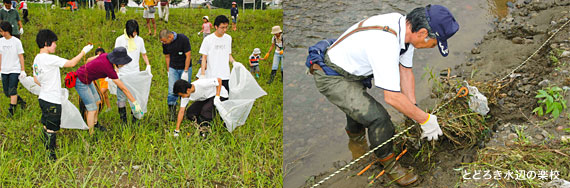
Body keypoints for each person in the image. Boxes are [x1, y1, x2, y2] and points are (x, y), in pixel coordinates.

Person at [308, 5, 459, 186]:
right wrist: (426, 120)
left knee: (359, 109)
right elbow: (392, 97)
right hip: (332, 76)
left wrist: (413, 109)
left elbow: (405, 70)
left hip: (352, 70)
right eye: (434, 42)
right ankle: (389, 165)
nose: (433, 46)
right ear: (423, 33)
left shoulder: (405, 28)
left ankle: (356, 144)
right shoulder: (385, 42)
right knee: (378, 119)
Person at [32, 29, 93, 160]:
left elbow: (36, 79)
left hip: (43, 98)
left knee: (46, 123)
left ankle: (45, 146)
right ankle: (51, 155)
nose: (55, 45)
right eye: (54, 43)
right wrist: (84, 51)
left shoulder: (37, 59)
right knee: (52, 128)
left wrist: (47, 86)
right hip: (52, 99)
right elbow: (71, 63)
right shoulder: (49, 59)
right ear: (46, 43)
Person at [75, 47, 143, 135]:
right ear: (118, 61)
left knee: (98, 101)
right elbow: (124, 89)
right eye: (123, 62)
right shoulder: (109, 69)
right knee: (92, 109)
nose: (124, 64)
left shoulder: (105, 55)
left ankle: (95, 124)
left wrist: (91, 74)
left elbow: (88, 60)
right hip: (81, 81)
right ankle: (91, 134)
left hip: (88, 79)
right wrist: (135, 102)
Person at [114, 19, 150, 124]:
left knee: (134, 96)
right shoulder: (120, 40)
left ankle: (135, 117)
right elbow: (115, 56)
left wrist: (148, 65)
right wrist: (116, 71)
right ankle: (123, 120)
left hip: (135, 73)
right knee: (121, 97)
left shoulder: (140, 40)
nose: (134, 34)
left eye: (135, 31)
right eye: (132, 32)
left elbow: (144, 54)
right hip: (123, 74)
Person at [159, 29, 192, 121]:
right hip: (173, 67)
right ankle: (172, 114)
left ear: (170, 37)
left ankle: (183, 111)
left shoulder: (183, 39)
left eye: (165, 41)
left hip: (184, 67)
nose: (164, 43)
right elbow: (167, 56)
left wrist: (185, 71)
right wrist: (168, 70)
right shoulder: (165, 44)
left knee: (185, 90)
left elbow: (188, 55)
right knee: (171, 90)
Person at [198, 15, 235, 93]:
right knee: (211, 99)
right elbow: (204, 58)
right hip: (212, 75)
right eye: (222, 27)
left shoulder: (228, 38)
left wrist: (234, 63)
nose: (224, 30)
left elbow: (228, 54)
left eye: (226, 27)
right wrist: (202, 74)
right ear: (216, 27)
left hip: (225, 75)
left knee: (225, 98)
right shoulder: (208, 39)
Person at [0, 21, 25, 116]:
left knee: (12, 90)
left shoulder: (16, 41)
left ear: (8, 30)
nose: (2, 33)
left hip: (15, 69)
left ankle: (12, 110)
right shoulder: (1, 41)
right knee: (7, 92)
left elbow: (21, 56)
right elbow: (0, 56)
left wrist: (22, 70)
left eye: (3, 31)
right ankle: (20, 101)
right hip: (4, 69)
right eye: (0, 31)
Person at [86, 47, 111, 112]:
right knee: (105, 96)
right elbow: (88, 60)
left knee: (99, 94)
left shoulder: (106, 59)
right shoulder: (96, 61)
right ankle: (109, 108)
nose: (99, 55)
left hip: (107, 80)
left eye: (101, 53)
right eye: (97, 54)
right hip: (101, 81)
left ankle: (96, 110)